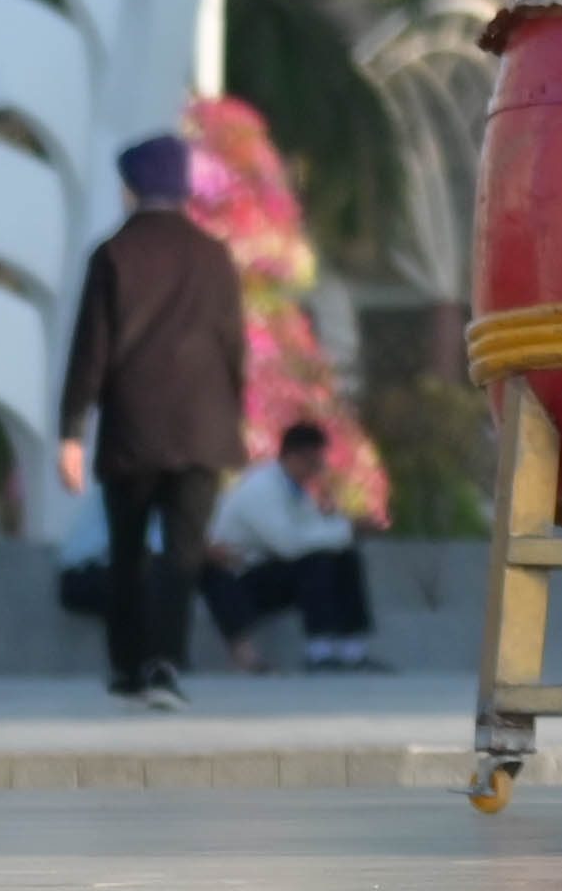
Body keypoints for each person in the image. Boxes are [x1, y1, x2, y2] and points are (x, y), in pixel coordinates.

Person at [60, 130, 248, 711]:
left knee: (127, 550)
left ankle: (127, 668)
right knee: (183, 554)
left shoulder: (113, 254)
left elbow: (90, 349)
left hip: (133, 428)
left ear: (133, 187)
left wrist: (71, 429)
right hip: (203, 426)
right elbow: (234, 348)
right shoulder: (214, 255)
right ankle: (167, 663)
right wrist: (231, 418)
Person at [204, 420, 385, 671]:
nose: (317, 469)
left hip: (272, 569)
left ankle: (352, 649)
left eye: (320, 461)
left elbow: (314, 533)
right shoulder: (261, 487)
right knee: (315, 562)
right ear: (291, 456)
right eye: (312, 461)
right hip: (241, 577)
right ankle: (319, 651)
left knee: (345, 558)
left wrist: (341, 524)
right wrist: (347, 529)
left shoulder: (298, 491)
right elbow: (289, 544)